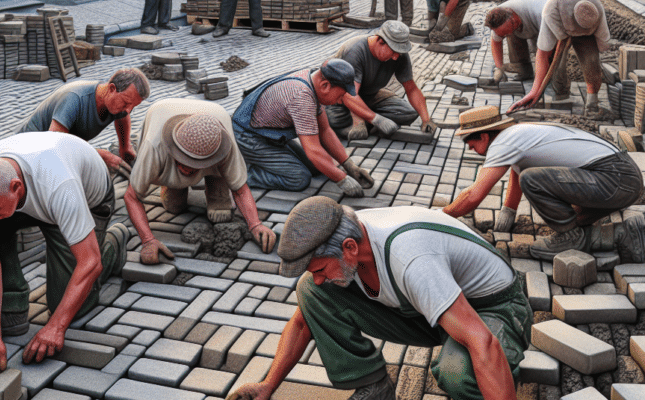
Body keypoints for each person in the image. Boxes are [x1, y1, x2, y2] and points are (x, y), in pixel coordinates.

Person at [227, 196, 532, 400]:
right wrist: (268, 386)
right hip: (430, 307)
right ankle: (375, 388)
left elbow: (483, 342)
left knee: (456, 373)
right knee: (311, 292)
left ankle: (499, 373)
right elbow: (301, 324)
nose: (318, 276)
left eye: (319, 267)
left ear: (349, 248)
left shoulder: (412, 260)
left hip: (494, 306)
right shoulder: (350, 236)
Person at [0, 132, 129, 379]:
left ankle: (113, 244)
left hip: (87, 199)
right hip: (31, 199)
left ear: (16, 187)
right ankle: (12, 304)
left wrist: (55, 327)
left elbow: (89, 263)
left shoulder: (59, 184)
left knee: (72, 304)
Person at [443, 106, 643, 261]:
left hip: (616, 180)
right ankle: (623, 235)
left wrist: (442, 216)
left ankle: (572, 238)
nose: (471, 150)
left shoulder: (502, 143)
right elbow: (517, 169)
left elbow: (473, 195)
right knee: (574, 218)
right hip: (622, 178)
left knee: (532, 180)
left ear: (484, 136)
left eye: (472, 145)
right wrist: (508, 212)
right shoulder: (516, 135)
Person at [124, 98, 278, 264]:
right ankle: (173, 183)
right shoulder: (154, 146)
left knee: (221, 211)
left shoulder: (225, 145)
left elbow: (240, 189)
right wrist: (148, 240)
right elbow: (132, 196)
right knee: (174, 206)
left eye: (196, 164)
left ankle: (215, 183)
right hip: (163, 116)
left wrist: (255, 224)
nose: (189, 168)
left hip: (214, 116)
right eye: (184, 161)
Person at [232, 59, 375, 196]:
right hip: (247, 136)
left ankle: (264, 162)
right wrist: (342, 179)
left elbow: (325, 130)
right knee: (299, 178)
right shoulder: (301, 97)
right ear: (325, 85)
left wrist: (348, 165)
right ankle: (239, 175)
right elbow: (313, 151)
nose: (340, 101)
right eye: (341, 95)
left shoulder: (313, 79)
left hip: (268, 133)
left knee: (317, 168)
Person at [16, 68, 149, 173]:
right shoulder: (74, 99)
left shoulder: (117, 105)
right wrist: (97, 155)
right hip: (30, 152)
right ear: (111, 89)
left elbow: (123, 117)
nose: (128, 110)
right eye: (126, 103)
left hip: (61, 148)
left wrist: (125, 145)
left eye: (133, 107)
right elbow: (55, 145)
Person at [508, 0, 609, 116]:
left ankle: (591, 104)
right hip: (559, 19)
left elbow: (603, 46)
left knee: (591, 63)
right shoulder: (551, 13)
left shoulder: (597, 13)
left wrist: (595, 65)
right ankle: (556, 91)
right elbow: (542, 54)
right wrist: (534, 91)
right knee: (556, 60)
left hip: (585, 26)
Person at [327, 20, 436, 140]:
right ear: (380, 41)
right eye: (394, 51)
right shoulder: (355, 50)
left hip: (369, 95)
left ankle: (366, 117)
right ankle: (365, 119)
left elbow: (411, 88)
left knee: (409, 113)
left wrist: (426, 119)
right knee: (335, 120)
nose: (396, 57)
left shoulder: (399, 54)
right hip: (341, 98)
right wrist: (376, 120)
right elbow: (350, 94)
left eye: (398, 52)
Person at [484, 0, 550, 83]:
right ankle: (524, 70)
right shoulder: (499, 17)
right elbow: (496, 41)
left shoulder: (542, 13)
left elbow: (544, 51)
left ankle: (555, 85)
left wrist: (538, 85)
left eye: (505, 33)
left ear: (513, 20)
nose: (504, 36)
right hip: (528, 20)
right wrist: (499, 68)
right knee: (511, 34)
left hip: (547, 21)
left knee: (549, 59)